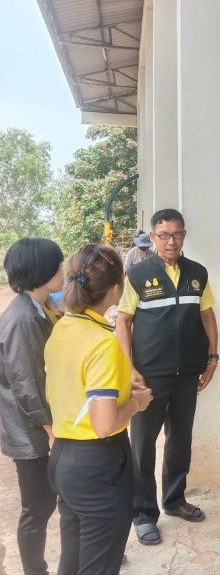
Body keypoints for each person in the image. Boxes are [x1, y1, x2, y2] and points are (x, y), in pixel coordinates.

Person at [44, 244, 153, 574]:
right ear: (117, 288)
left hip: (63, 459)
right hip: (98, 465)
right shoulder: (104, 342)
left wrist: (119, 390)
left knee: (73, 558)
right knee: (99, 565)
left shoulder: (62, 328)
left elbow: (54, 394)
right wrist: (136, 403)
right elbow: (104, 424)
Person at [116, 208, 219, 546]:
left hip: (187, 373)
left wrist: (212, 358)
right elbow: (123, 322)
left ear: (184, 235)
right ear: (153, 237)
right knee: (142, 445)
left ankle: (174, 500)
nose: (171, 241)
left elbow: (207, 316)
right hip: (149, 376)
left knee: (180, 440)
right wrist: (130, 368)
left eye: (177, 234)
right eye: (164, 235)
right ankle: (144, 514)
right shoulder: (137, 275)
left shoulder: (197, 273)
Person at [0, 238, 63, 575]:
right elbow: (29, 385)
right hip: (32, 431)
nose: (63, 270)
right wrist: (52, 433)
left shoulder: (41, 306)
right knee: (37, 508)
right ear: (41, 271)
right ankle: (35, 571)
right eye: (58, 264)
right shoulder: (23, 319)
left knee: (56, 499)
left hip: (39, 425)